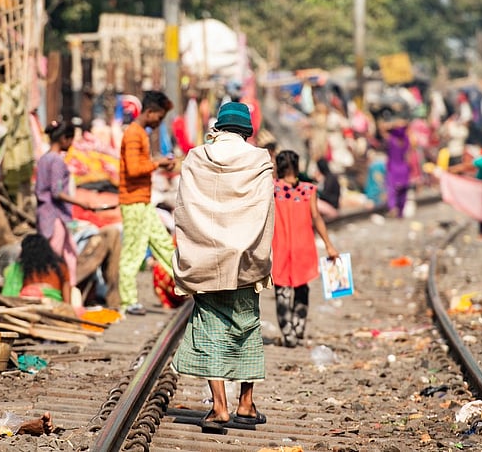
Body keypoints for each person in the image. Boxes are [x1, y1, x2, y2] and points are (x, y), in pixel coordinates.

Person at [171, 102, 275, 434]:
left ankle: (219, 408)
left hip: (207, 257)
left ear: (218, 127)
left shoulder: (196, 157)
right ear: (247, 131)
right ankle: (245, 404)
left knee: (211, 331)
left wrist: (197, 247)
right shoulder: (259, 160)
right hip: (245, 261)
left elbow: (185, 207)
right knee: (247, 329)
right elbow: (265, 210)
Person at [272, 150, 340, 348]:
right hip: (303, 247)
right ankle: (299, 326)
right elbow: (317, 218)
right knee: (302, 287)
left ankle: (288, 334)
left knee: (282, 291)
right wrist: (329, 245)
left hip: (280, 247)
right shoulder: (308, 190)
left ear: (279, 167)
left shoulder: (272, 189)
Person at [118, 91, 176, 315]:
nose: (160, 122)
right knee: (133, 252)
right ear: (150, 112)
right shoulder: (134, 134)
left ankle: (186, 287)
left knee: (163, 244)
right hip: (133, 202)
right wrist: (158, 163)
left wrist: (156, 163)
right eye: (159, 117)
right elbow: (134, 169)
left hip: (142, 201)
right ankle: (128, 301)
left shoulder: (140, 133)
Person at [35, 120, 107, 302]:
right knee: (56, 260)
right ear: (64, 139)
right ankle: (56, 298)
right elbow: (57, 192)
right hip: (55, 217)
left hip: (46, 214)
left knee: (68, 255)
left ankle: (68, 299)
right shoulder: (57, 161)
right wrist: (82, 203)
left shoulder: (44, 159)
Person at [2, 234, 71, 302]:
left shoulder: (21, 268)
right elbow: (66, 289)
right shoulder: (59, 266)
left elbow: (14, 291)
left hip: (26, 304)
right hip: (53, 304)